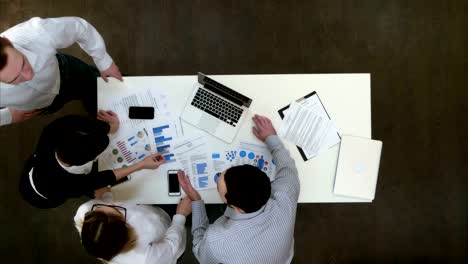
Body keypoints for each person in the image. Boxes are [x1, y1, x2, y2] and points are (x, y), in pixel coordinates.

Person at [178, 114, 300, 264]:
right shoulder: (286, 194)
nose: (217, 178)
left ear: (236, 207)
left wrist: (196, 201)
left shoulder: (218, 240)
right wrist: (271, 138)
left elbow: (199, 250)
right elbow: (287, 167)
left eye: (218, 188)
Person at [19, 111, 165, 209]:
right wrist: (141, 164)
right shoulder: (70, 185)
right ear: (86, 163)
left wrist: (109, 127)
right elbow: (105, 177)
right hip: (44, 195)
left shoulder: (53, 130)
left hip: (36, 165)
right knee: (92, 191)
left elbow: (75, 121)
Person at [0, 16, 123, 126]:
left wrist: (105, 63)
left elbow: (78, 28)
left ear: (9, 42)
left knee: (94, 82)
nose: (28, 76)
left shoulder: (35, 32)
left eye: (23, 63)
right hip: (43, 105)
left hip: (68, 72)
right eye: (14, 79)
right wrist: (8, 116)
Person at [73, 190, 190, 264]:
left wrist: (105, 195)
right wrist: (180, 216)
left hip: (150, 207)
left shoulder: (85, 212)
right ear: (127, 231)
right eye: (118, 211)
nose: (113, 205)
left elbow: (108, 202)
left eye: (100, 207)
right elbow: (172, 246)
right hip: (170, 227)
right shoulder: (145, 260)